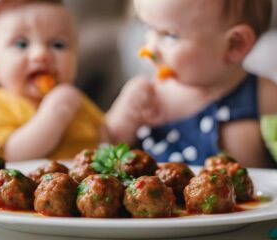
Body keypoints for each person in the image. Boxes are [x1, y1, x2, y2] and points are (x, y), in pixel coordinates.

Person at [107, 0, 277, 168]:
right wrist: (126, 116)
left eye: (170, 35)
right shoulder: (149, 97)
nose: (150, 49)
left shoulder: (266, 97)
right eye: (148, 28)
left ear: (235, 44)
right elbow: (104, 151)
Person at [0, 0, 108, 162]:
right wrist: (55, 113)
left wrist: (128, 112)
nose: (41, 54)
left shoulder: (76, 101)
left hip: (87, 182)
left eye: (58, 44)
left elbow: (107, 140)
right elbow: (10, 155)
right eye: (21, 44)